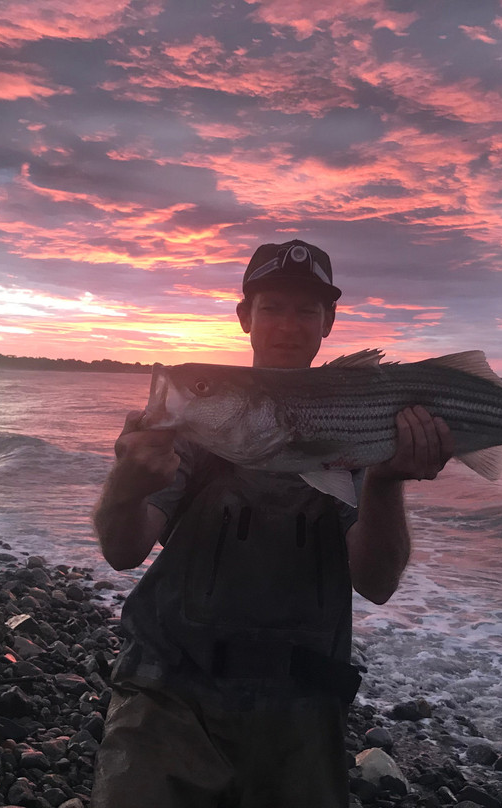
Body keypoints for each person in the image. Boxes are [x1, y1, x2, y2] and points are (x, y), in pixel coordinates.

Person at [90, 239, 454, 807]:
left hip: (303, 704)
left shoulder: (355, 428)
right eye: (272, 307)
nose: (289, 325)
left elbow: (376, 583)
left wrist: (385, 481)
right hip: (168, 692)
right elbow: (123, 551)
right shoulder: (190, 432)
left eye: (307, 310)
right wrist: (125, 485)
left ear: (328, 323)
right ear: (245, 319)